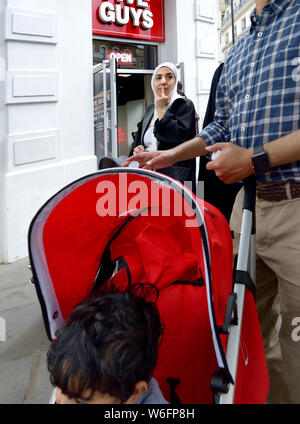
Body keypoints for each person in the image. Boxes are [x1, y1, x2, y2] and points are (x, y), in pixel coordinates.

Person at [124, 0, 300, 404]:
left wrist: (255, 159)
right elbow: (220, 124)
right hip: (247, 211)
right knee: (243, 334)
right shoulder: (237, 51)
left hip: (295, 207)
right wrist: (169, 156)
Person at [47, 288, 168, 404]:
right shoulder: (74, 381)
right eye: (60, 387)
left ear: (134, 393)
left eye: (79, 401)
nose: (61, 401)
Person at [129, 62, 197, 191]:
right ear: (153, 83)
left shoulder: (184, 104)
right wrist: (137, 148)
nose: (163, 81)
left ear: (175, 81)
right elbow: (139, 139)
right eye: (158, 77)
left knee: (178, 211)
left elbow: (176, 138)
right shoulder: (150, 109)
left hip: (175, 179)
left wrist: (161, 110)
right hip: (149, 176)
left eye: (169, 77)